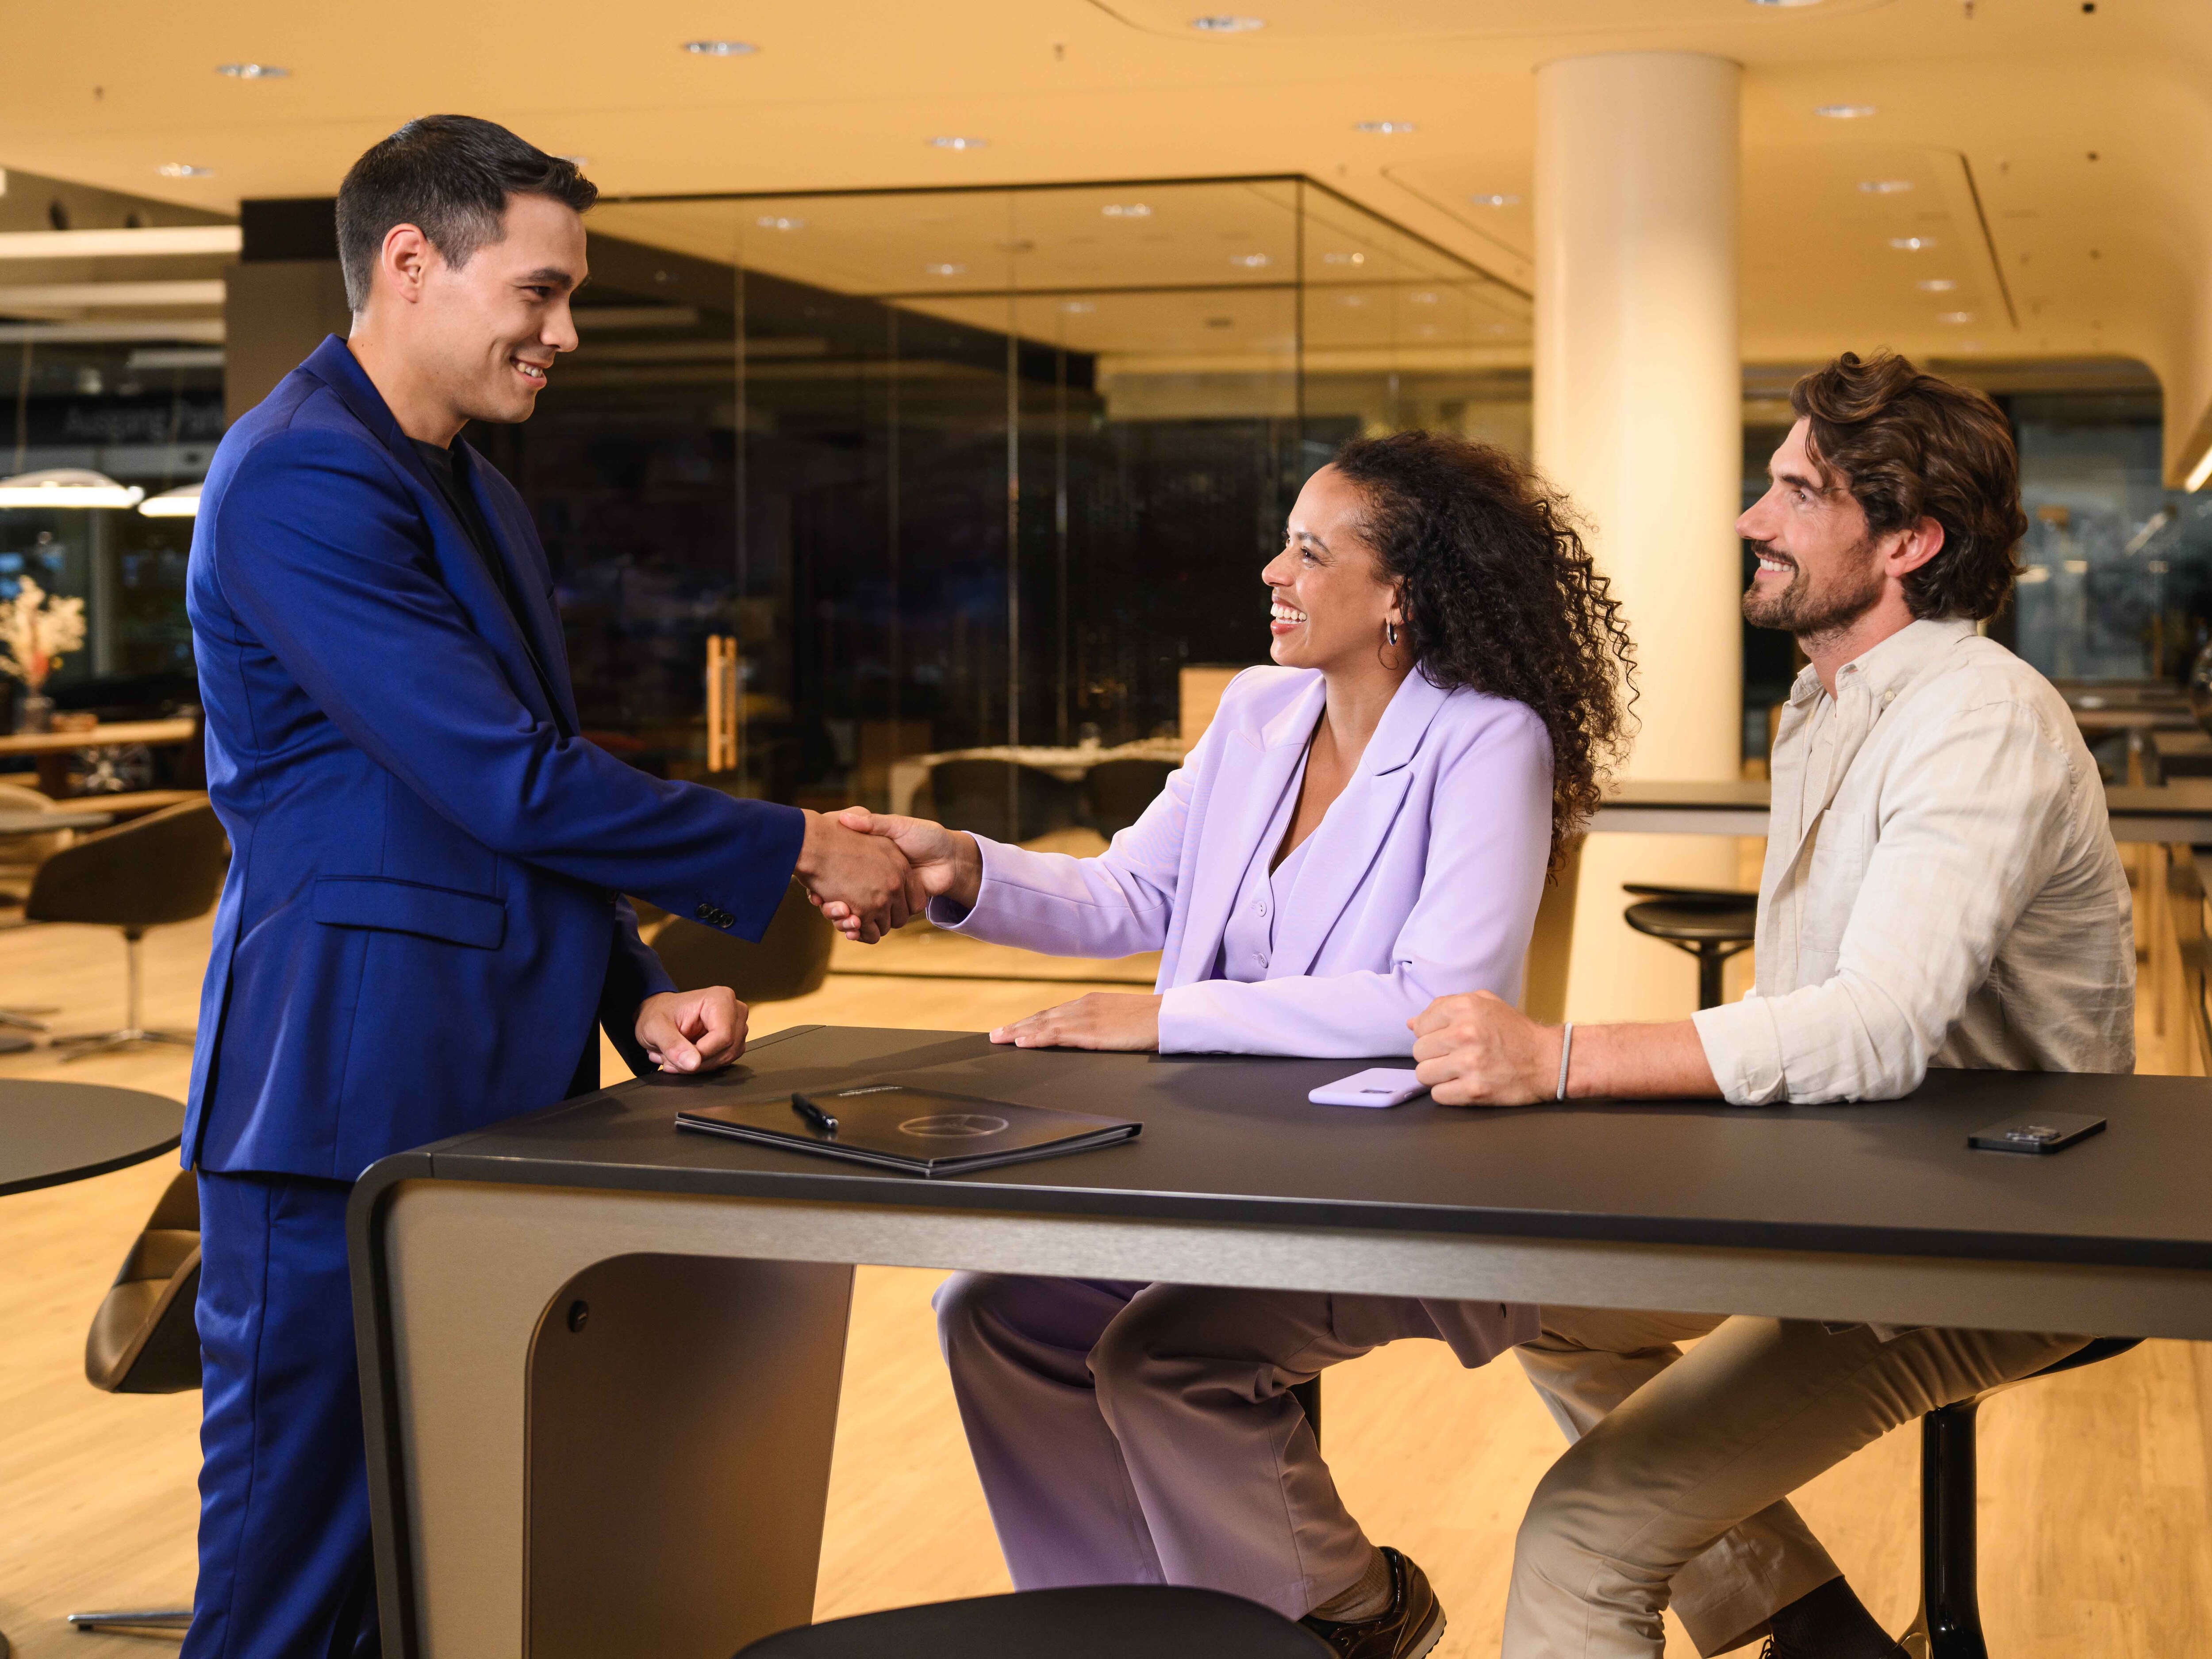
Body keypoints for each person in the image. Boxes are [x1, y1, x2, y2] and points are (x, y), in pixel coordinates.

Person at [180, 116, 911, 1659]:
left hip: (492, 1099)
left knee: (447, 1575)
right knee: (291, 1593)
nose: (564, 332)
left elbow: (513, 808)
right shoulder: (298, 479)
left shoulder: (475, 495)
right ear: (409, 263)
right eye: (540, 291)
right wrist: (797, 847)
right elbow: (503, 776)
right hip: (335, 1106)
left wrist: (640, 1001)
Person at [822, 431, 1636, 1658]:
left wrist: (1168, 1018)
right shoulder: (1260, 713)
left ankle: (1343, 1611)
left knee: (1159, 1357)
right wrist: (963, 864)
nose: (1273, 571)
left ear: (1402, 593)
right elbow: (1128, 897)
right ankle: (1127, 1627)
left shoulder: (1487, 740)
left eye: (1310, 552)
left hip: (1393, 1177)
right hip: (1213, 1158)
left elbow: (1440, 998)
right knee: (990, 1311)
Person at [1406, 352, 2133, 1659]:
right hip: (1855, 1198)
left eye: (1798, 493)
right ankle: (1818, 1634)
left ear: (1909, 541)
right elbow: (1815, 1019)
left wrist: (1557, 1059)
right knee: (1532, 1303)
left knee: (1580, 1538)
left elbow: (1873, 1026)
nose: (1755, 518)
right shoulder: (1824, 700)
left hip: (1989, 1243)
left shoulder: (1979, 720)